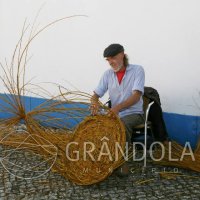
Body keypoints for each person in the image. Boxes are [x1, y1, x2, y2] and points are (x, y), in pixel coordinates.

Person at [90, 43, 145, 176]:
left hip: (134, 113)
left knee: (122, 124)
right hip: (114, 113)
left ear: (122, 55)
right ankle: (103, 157)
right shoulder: (107, 74)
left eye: (113, 58)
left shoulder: (137, 70)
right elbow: (96, 95)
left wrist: (118, 108)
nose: (110, 62)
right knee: (94, 122)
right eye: (108, 60)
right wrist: (94, 103)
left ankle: (121, 162)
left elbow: (136, 96)